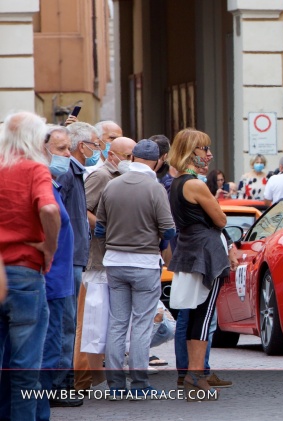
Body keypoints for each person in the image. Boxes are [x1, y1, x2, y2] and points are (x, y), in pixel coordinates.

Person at [95, 139, 176, 398]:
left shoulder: (112, 185)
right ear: (156, 160)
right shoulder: (155, 188)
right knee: (141, 324)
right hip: (144, 263)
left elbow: (99, 228)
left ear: (133, 158)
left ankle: (116, 386)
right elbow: (169, 229)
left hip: (115, 263)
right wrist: (159, 242)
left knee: (117, 323)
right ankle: (140, 384)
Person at [167, 129, 236, 400]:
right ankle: (197, 373)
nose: (209, 155)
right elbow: (221, 220)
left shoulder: (178, 182)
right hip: (205, 251)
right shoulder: (194, 184)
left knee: (195, 313)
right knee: (203, 315)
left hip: (190, 248)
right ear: (190, 152)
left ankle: (194, 373)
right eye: (204, 149)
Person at [0, 111, 60, 421]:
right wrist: (49, 247)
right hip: (25, 271)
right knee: (25, 367)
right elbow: (49, 208)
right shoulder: (35, 168)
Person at [73, 136, 136, 392]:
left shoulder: (124, 178)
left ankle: (104, 376)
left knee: (111, 323)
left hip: (115, 259)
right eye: (128, 156)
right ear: (112, 155)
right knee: (89, 325)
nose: (132, 161)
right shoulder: (101, 176)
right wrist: (107, 227)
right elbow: (82, 209)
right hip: (98, 260)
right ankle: (81, 380)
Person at [53, 121, 102, 395]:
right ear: (82, 146)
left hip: (73, 257)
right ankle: (62, 384)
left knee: (69, 322)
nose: (98, 150)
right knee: (66, 323)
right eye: (95, 144)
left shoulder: (76, 172)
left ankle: (64, 381)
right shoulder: (68, 173)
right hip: (68, 259)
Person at [37, 126, 78, 415]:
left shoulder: (54, 184)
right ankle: (39, 407)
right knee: (46, 350)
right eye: (62, 149)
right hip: (49, 282)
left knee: (53, 346)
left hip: (58, 280)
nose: (68, 155)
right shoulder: (43, 186)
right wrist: (49, 254)